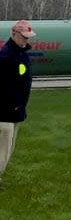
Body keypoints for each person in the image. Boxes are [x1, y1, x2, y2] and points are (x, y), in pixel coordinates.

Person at [0, 19, 36, 181]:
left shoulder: (22, 55)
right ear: (14, 34)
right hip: (5, 112)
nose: (26, 40)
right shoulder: (6, 56)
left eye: (28, 37)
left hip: (17, 110)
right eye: (23, 37)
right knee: (3, 148)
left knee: (8, 148)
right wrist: (11, 104)